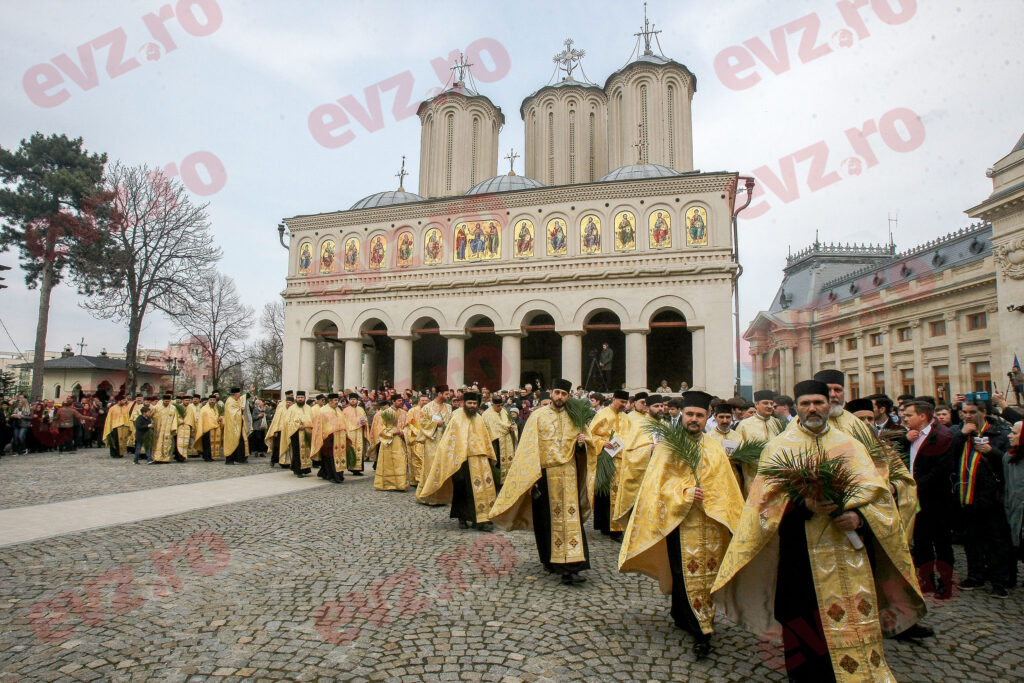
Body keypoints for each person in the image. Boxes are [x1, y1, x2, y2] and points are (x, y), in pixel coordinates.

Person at [712, 380, 926, 682]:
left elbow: (878, 497)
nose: (812, 408)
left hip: (847, 557)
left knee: (851, 623)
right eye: (805, 403)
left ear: (829, 405)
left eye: (818, 402)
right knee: (800, 627)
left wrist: (859, 518)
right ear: (797, 407)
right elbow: (762, 505)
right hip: (799, 556)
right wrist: (804, 505)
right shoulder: (779, 447)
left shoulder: (851, 445)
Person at [618, 391, 743, 659]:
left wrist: (713, 500)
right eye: (690, 415)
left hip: (709, 523)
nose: (694, 419)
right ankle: (683, 615)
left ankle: (703, 629)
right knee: (680, 571)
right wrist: (684, 494)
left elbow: (726, 486)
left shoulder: (713, 447)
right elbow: (656, 487)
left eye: (699, 415)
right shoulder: (668, 446)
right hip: (678, 521)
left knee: (705, 575)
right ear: (682, 416)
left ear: (706, 416)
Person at [490, 379, 599, 584]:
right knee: (546, 521)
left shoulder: (576, 417)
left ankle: (572, 567)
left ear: (569, 396)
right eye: (557, 393)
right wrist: (531, 478)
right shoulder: (537, 417)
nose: (559, 397)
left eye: (564, 394)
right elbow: (528, 450)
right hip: (545, 476)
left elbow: (587, 446)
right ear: (551, 393)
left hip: (569, 475)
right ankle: (550, 560)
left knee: (571, 520)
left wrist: (582, 444)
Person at [953, 397, 1013, 597]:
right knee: (972, 540)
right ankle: (975, 575)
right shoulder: (958, 432)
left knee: (996, 541)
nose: (968, 416)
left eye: (972, 412)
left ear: (983, 413)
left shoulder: (999, 433)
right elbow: (946, 457)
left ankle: (999, 581)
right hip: (965, 495)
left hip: (991, 497)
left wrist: (992, 452)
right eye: (965, 412)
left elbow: (1010, 462)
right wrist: (961, 436)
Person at [898, 400, 955, 597]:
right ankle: (926, 580)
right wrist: (906, 440)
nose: (904, 418)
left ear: (922, 416)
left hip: (936, 499)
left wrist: (915, 486)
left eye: (909, 415)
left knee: (941, 543)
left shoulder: (942, 435)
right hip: (917, 499)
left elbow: (941, 470)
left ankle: (945, 582)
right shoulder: (910, 435)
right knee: (921, 542)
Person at [418, 391, 497, 528]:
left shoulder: (479, 418)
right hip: (461, 461)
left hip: (479, 459)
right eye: (469, 403)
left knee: (480, 489)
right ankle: (462, 518)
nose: (472, 406)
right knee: (462, 490)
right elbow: (449, 439)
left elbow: (485, 438)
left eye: (474, 403)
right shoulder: (456, 417)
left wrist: (489, 455)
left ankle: (480, 518)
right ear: (464, 404)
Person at [590, 390, 633, 540]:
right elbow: (591, 435)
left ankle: (616, 527)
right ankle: (606, 526)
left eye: (625, 402)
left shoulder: (626, 417)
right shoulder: (602, 415)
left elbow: (631, 436)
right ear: (614, 399)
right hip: (606, 458)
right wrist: (602, 443)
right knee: (605, 494)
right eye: (621, 401)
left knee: (618, 494)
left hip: (622, 460)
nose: (623, 405)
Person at [734, 390, 783, 493]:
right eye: (766, 403)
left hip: (776, 478)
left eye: (771, 403)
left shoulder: (777, 423)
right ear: (756, 404)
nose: (769, 406)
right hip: (753, 478)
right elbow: (738, 453)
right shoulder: (744, 425)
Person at [415, 388, 452, 502]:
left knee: (444, 467)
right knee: (431, 467)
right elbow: (422, 423)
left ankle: (443, 497)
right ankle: (428, 496)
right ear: (439, 394)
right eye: (446, 393)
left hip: (445, 441)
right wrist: (435, 423)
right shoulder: (427, 407)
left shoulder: (449, 407)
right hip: (432, 442)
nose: (449, 395)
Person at [371, 395, 409, 491]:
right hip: (389, 441)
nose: (401, 402)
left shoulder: (404, 413)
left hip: (400, 440)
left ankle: (401, 484)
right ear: (393, 401)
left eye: (402, 400)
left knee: (401, 461)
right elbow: (380, 428)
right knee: (388, 463)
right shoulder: (386, 413)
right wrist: (392, 432)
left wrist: (403, 432)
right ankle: (387, 484)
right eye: (399, 401)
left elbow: (408, 426)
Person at [1004, 421, 1024, 586]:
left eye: (1015, 433)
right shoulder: (1009, 457)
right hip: (1015, 510)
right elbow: (1007, 485)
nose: (1010, 435)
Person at [483, 393, 518, 484]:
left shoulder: (505, 411)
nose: (500, 408)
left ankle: (507, 482)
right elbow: (489, 430)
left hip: (507, 441)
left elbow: (512, 423)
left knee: (509, 461)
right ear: (492, 404)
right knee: (498, 464)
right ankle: (498, 483)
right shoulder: (487, 414)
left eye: (502, 405)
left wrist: (512, 428)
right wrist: (507, 428)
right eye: (498, 406)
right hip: (496, 443)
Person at [311, 393, 346, 482]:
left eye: (337, 400)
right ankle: (331, 476)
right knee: (329, 457)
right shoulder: (322, 411)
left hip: (339, 438)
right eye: (335, 400)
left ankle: (336, 474)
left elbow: (343, 422)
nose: (336, 402)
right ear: (330, 401)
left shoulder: (338, 410)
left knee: (338, 457)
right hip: (328, 438)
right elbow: (319, 425)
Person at [283, 391, 314, 476]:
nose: (300, 399)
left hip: (306, 432)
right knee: (297, 452)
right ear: (296, 399)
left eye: (302, 397)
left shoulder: (308, 408)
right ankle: (298, 470)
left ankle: (305, 469)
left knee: (306, 451)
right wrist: (297, 426)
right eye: (298, 397)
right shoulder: (292, 408)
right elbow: (287, 421)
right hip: (295, 433)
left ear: (305, 398)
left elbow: (312, 420)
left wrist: (307, 425)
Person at [404, 395, 430, 486]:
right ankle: (417, 479)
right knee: (417, 458)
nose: (424, 402)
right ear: (419, 401)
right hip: (416, 438)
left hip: (428, 438)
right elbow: (408, 424)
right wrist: (417, 432)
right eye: (422, 400)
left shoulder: (430, 410)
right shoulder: (412, 410)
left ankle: (425, 479)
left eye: (426, 400)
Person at [342, 393, 370, 475]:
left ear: (357, 400)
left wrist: (365, 424)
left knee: (359, 450)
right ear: (349, 400)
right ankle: (350, 467)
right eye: (351, 399)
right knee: (350, 450)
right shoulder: (345, 410)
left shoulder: (361, 409)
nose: (352, 401)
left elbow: (365, 420)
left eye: (354, 399)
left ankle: (357, 470)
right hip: (350, 433)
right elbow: (343, 422)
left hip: (359, 432)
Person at [149, 394, 181, 463]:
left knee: (167, 443)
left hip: (168, 429)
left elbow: (175, 418)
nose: (167, 402)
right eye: (165, 401)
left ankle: (166, 458)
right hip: (159, 429)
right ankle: (157, 457)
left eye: (168, 401)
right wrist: (152, 424)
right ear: (163, 400)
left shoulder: (173, 408)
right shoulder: (157, 407)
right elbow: (150, 416)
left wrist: (174, 428)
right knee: (158, 443)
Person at [222, 388, 250, 465]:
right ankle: (230, 459)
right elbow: (232, 413)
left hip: (238, 425)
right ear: (235, 394)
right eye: (239, 394)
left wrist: (249, 392)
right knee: (232, 441)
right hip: (232, 426)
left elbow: (243, 398)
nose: (240, 395)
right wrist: (241, 410)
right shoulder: (230, 401)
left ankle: (240, 458)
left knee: (241, 441)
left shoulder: (236, 400)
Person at [193, 396, 222, 461]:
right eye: (211, 400)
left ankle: (212, 456)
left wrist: (219, 419)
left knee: (213, 444)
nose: (212, 401)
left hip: (215, 428)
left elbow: (215, 417)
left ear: (215, 401)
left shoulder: (216, 408)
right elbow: (202, 419)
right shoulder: (204, 409)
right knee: (207, 444)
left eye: (213, 400)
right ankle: (206, 457)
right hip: (206, 429)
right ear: (208, 400)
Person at [177, 394, 201, 459]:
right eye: (185, 400)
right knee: (180, 441)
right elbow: (176, 416)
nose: (187, 402)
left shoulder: (190, 408)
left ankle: (186, 454)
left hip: (189, 426)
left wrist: (191, 425)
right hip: (180, 426)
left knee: (188, 441)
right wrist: (181, 421)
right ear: (182, 400)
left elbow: (191, 417)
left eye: (188, 400)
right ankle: (179, 455)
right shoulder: (179, 407)